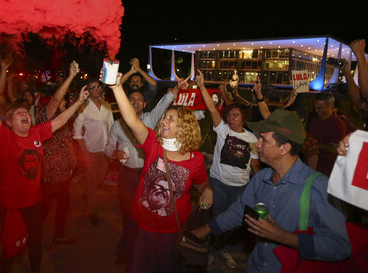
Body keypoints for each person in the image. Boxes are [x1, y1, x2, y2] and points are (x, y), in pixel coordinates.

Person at [192, 109, 351, 273]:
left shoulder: (318, 187)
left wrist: (282, 236)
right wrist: (204, 231)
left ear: (285, 148)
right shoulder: (261, 179)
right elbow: (237, 213)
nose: (257, 144)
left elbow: (339, 247)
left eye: (263, 140)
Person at [0, 64, 88, 273]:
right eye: (18, 113)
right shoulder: (4, 137)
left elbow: (60, 119)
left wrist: (79, 102)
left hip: (33, 202)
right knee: (10, 247)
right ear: (9, 122)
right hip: (11, 206)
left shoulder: (36, 133)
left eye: (25, 112)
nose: (24, 113)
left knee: (35, 244)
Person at [106, 71, 213, 273]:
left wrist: (208, 191)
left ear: (184, 127)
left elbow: (202, 185)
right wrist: (116, 87)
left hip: (171, 231)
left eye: (170, 118)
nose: (163, 120)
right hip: (143, 227)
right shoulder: (152, 145)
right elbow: (132, 121)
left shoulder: (196, 160)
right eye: (164, 117)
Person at [195, 69, 260, 260]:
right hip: (220, 183)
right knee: (219, 217)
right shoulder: (222, 130)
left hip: (240, 187)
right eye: (229, 115)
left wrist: (257, 185)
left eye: (235, 115)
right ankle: (214, 250)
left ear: (244, 118)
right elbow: (213, 109)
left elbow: (255, 165)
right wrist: (201, 85)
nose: (230, 118)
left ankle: (224, 247)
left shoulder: (251, 139)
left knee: (235, 220)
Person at [36, 61, 80, 244]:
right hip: (48, 176)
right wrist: (70, 77)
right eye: (62, 102)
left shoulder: (64, 123)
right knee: (43, 209)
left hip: (64, 175)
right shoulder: (44, 120)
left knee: (63, 207)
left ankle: (58, 235)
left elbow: (67, 143)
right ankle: (31, 237)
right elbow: (55, 100)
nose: (64, 104)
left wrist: (73, 160)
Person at [73, 78, 114, 225]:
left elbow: (112, 127)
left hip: (105, 151)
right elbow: (77, 132)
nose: (96, 89)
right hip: (90, 151)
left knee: (100, 178)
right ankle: (91, 211)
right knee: (91, 182)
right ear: (88, 91)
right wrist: (84, 152)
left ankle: (87, 194)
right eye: (92, 87)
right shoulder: (84, 107)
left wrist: (112, 147)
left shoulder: (107, 106)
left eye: (97, 86)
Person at [307, 92, 346, 176]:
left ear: (331, 106)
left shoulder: (337, 124)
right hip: (313, 167)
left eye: (320, 108)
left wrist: (313, 144)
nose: (317, 111)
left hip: (328, 170)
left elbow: (334, 148)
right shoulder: (315, 121)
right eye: (315, 108)